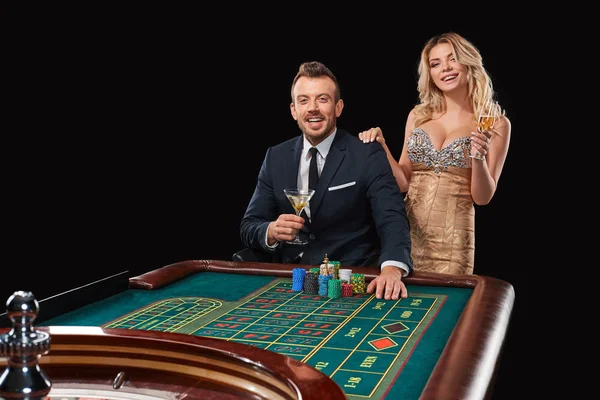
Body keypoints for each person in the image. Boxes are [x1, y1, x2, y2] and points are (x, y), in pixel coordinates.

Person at [239, 61, 413, 300]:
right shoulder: (275, 157)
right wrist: (270, 230)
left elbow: (392, 218)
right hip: (290, 283)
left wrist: (392, 269)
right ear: (293, 110)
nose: (313, 108)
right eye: (304, 100)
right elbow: (249, 225)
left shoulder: (367, 154)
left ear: (338, 107)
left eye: (322, 99)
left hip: (348, 284)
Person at [359, 32, 511, 275]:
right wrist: (382, 146)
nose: (446, 69)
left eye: (452, 59)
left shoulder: (495, 122)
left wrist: (478, 158)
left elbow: (482, 198)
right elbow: (404, 181)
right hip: (408, 233)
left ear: (467, 61)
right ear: (429, 73)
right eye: (435, 64)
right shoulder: (418, 115)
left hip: (454, 239)